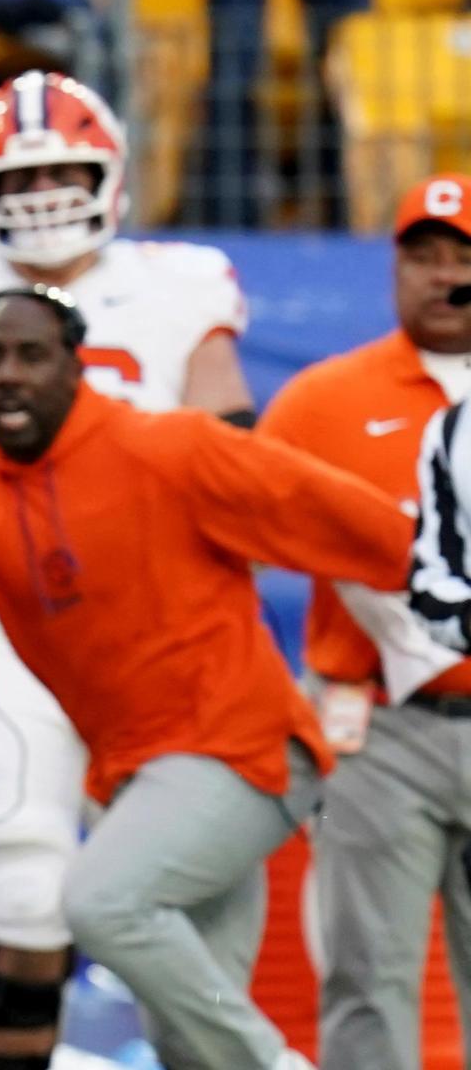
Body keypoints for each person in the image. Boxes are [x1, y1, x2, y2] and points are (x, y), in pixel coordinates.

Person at [0, 287, 415, 1070]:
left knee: (100, 901)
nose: (9, 375)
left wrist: (427, 561)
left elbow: (322, 508)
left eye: (31, 355)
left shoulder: (171, 446)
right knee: (191, 1038)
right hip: (140, 779)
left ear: (74, 367)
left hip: (242, 751)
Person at [0, 69, 256, 1069]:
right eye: (22, 176)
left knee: (181, 894)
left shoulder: (179, 281)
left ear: (109, 172)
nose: (46, 191)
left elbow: (226, 424)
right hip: (16, 616)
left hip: (153, 615)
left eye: (64, 168)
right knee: (18, 875)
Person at [287, 174, 471, 1070]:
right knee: (366, 979)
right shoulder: (319, 401)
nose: (442, 277)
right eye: (423, 256)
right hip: (380, 733)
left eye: (462, 257)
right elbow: (222, 523)